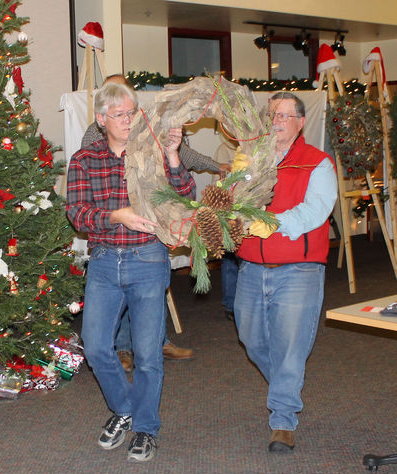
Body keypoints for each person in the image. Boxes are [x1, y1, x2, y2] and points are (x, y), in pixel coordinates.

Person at [66, 82, 196, 462]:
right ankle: (125, 409)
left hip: (148, 260)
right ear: (101, 118)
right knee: (95, 347)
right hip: (105, 261)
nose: (128, 120)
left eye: (132, 113)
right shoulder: (84, 160)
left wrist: (173, 155)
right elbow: (76, 213)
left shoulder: (152, 150)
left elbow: (183, 196)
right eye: (120, 115)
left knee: (148, 353)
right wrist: (113, 216)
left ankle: (145, 427)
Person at [82, 74, 226, 371]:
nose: (126, 115)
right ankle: (123, 349)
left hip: (148, 236)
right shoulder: (93, 139)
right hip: (114, 235)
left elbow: (184, 155)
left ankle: (155, 341)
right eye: (118, 107)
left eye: (129, 106)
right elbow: (87, 191)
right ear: (104, 112)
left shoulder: (148, 129)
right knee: (120, 293)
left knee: (152, 282)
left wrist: (213, 165)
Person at [233, 92, 337, 453]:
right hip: (250, 266)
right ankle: (285, 387)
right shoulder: (252, 161)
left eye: (283, 114)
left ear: (300, 122)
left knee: (291, 346)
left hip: (299, 270)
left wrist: (270, 223)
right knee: (251, 338)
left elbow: (316, 211)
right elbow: (232, 203)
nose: (275, 120)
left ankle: (283, 418)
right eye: (271, 114)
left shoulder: (318, 163)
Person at [214, 138, 239, 322]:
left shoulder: (254, 147)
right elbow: (217, 182)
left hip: (251, 207)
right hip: (230, 209)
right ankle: (230, 304)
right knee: (230, 259)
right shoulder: (224, 150)